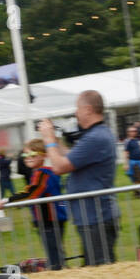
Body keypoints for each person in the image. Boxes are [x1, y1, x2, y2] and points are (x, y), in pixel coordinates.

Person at [39, 91, 120, 266]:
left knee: (100, 272)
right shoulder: (98, 134)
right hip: (92, 216)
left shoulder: (95, 138)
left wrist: (48, 140)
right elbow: (72, 159)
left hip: (95, 217)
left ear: (88, 109)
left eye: (77, 108)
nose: (75, 113)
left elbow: (59, 167)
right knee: (95, 268)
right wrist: (56, 140)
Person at [0, 138, 66, 270]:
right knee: (56, 252)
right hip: (55, 218)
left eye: (33, 154)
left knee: (54, 256)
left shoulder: (42, 173)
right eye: (26, 154)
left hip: (49, 219)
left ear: (44, 155)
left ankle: (58, 272)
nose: (28, 158)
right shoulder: (47, 171)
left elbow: (32, 193)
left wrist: (7, 200)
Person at [123, 124, 140, 191]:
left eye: (135, 131)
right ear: (128, 132)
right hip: (133, 162)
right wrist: (126, 164)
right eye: (132, 131)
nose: (134, 132)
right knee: (135, 178)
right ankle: (138, 192)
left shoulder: (137, 140)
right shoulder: (127, 141)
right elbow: (126, 153)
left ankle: (138, 191)